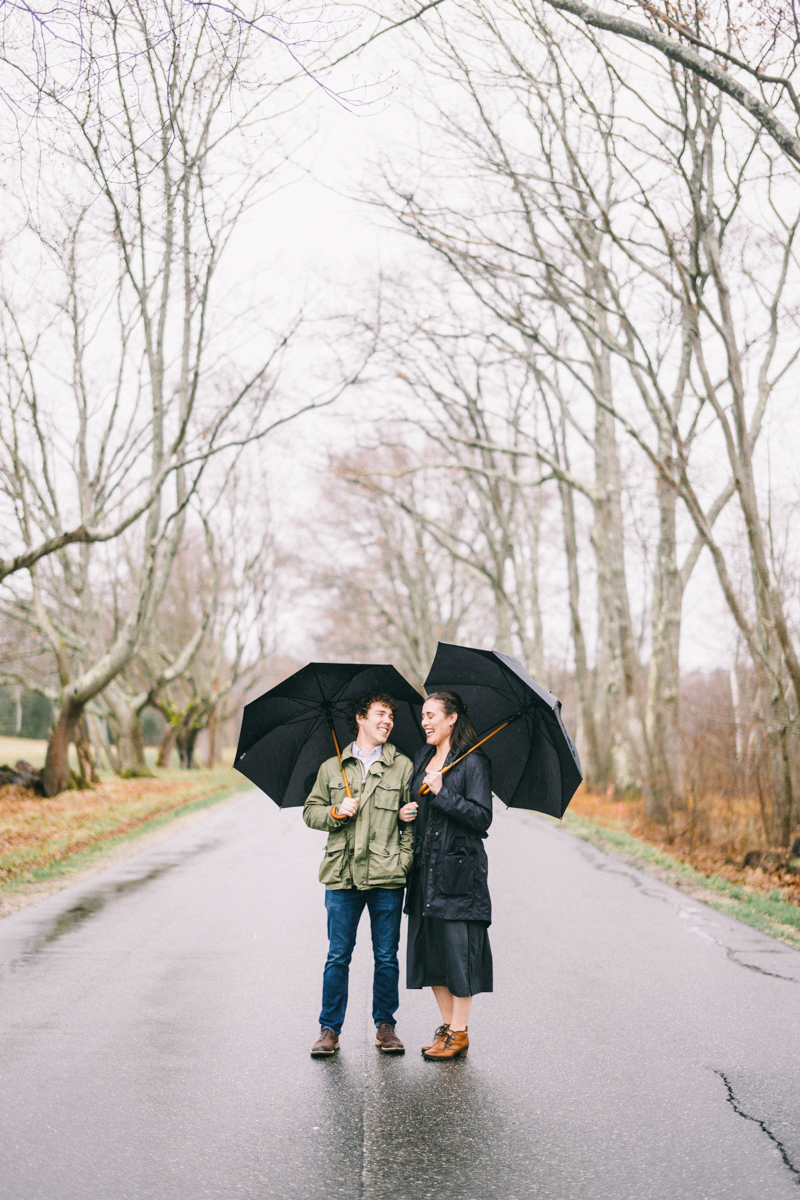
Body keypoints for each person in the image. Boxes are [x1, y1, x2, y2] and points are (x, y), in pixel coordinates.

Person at [303, 691, 414, 1057]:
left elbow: (411, 820)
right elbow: (310, 813)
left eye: (391, 717)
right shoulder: (331, 767)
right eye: (380, 714)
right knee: (338, 954)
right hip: (342, 875)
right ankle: (329, 1029)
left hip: (386, 876)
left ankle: (386, 1026)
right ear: (361, 719)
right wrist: (336, 811)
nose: (387, 722)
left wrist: (404, 861)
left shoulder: (403, 766)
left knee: (387, 955)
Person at [403, 690, 493, 1060]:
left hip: (459, 872)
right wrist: (406, 810)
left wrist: (442, 793)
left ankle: (460, 1032)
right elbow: (418, 798)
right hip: (425, 871)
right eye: (422, 716)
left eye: (431, 715)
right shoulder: (422, 756)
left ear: (451, 718)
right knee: (432, 954)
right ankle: (446, 1028)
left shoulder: (474, 762)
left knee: (459, 955)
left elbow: (481, 818)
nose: (424, 722)